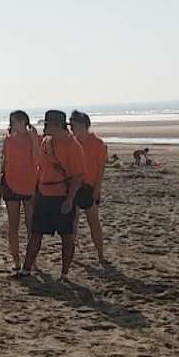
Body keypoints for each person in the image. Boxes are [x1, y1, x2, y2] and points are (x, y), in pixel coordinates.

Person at [19, 110, 85, 280]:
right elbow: (40, 167)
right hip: (44, 194)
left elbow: (78, 176)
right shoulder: (46, 142)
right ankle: (26, 269)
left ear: (57, 126)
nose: (45, 128)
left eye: (47, 125)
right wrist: (36, 191)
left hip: (62, 196)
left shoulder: (73, 146)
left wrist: (69, 200)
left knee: (67, 237)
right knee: (35, 233)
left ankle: (64, 274)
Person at [0, 110, 38, 272]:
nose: (15, 125)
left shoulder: (32, 138)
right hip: (10, 184)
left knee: (31, 225)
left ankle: (31, 260)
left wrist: (34, 139)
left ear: (24, 122)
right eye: (13, 122)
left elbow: (37, 159)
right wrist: (1, 186)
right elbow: (5, 162)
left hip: (29, 184)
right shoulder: (8, 140)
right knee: (13, 225)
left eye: (18, 121)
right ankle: (16, 260)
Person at [70, 111, 108, 263]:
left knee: (94, 222)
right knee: (72, 223)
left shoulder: (98, 144)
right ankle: (70, 255)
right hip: (73, 187)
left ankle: (100, 255)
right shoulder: (71, 142)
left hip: (89, 187)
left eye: (74, 125)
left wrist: (97, 189)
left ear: (82, 125)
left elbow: (100, 169)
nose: (72, 128)